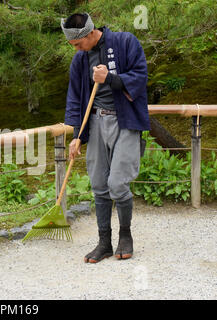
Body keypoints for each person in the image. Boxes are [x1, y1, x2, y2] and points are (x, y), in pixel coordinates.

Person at [61, 13, 150, 263]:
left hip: (125, 121)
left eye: (78, 44)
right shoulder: (80, 61)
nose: (77, 50)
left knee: (118, 182)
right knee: (99, 183)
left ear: (90, 34)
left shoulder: (125, 42)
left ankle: (125, 235)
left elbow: (141, 77)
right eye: (73, 46)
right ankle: (104, 242)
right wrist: (77, 135)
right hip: (97, 122)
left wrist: (109, 79)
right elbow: (75, 98)